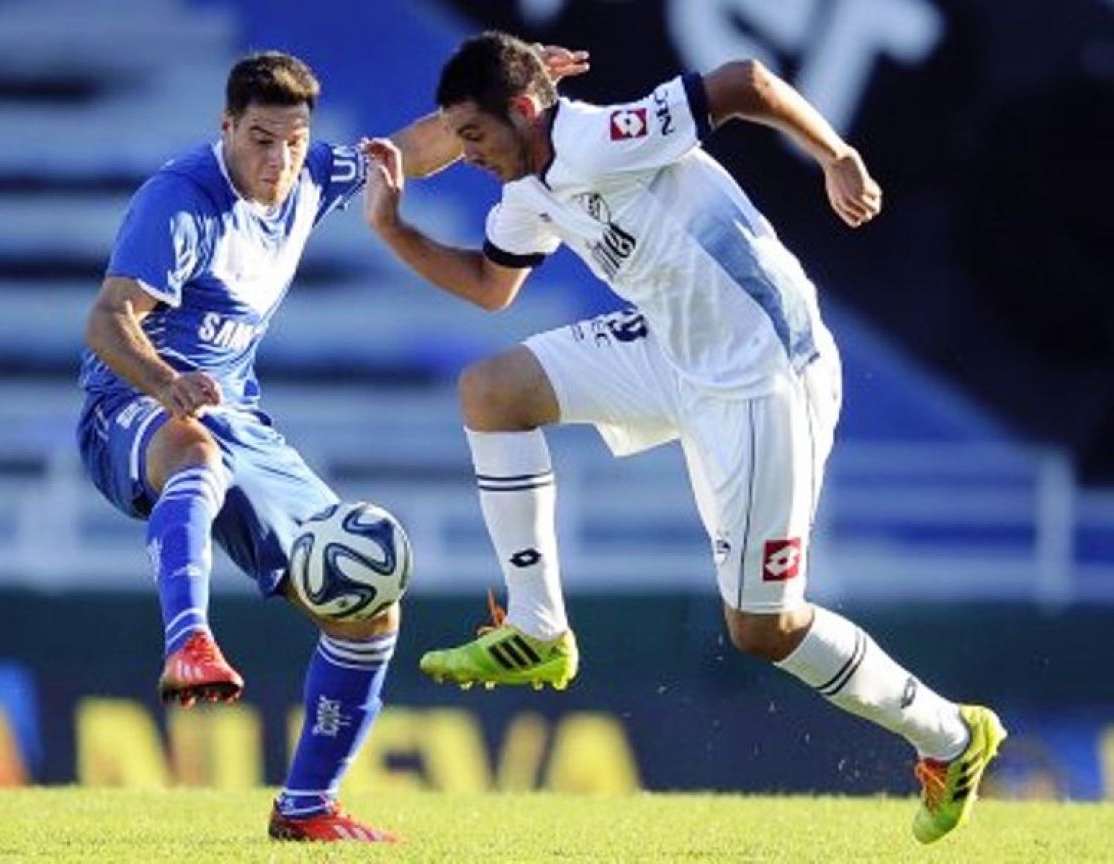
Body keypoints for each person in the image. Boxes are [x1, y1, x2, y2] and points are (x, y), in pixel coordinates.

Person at [361, 31, 1006, 845]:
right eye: (460, 139)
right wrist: (392, 229)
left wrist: (836, 155)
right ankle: (537, 630)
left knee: (763, 629)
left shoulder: (601, 138)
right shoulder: (527, 187)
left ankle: (951, 738)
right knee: (491, 391)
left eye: (476, 136)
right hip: (672, 349)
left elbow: (743, 79)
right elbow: (492, 287)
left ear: (525, 110)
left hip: (765, 372)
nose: (469, 155)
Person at [76, 47, 588, 842]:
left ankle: (308, 806)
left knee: (367, 603)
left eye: (291, 140)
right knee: (195, 453)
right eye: (259, 140)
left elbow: (412, 151)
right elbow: (108, 322)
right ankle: (190, 644)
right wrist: (165, 382)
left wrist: (518, 87)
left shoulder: (312, 174)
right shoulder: (178, 202)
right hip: (130, 403)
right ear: (226, 127)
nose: (278, 160)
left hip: (237, 414)